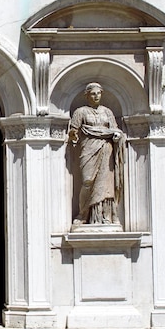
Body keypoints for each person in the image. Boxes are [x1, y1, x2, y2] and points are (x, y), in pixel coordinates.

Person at [68, 82, 126, 226]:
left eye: (98, 93)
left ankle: (106, 215)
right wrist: (73, 135)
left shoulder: (107, 112)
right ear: (87, 95)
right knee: (87, 181)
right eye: (93, 93)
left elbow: (115, 130)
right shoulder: (80, 112)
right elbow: (73, 131)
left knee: (105, 183)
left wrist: (117, 136)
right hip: (88, 149)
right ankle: (83, 213)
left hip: (106, 149)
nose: (96, 96)